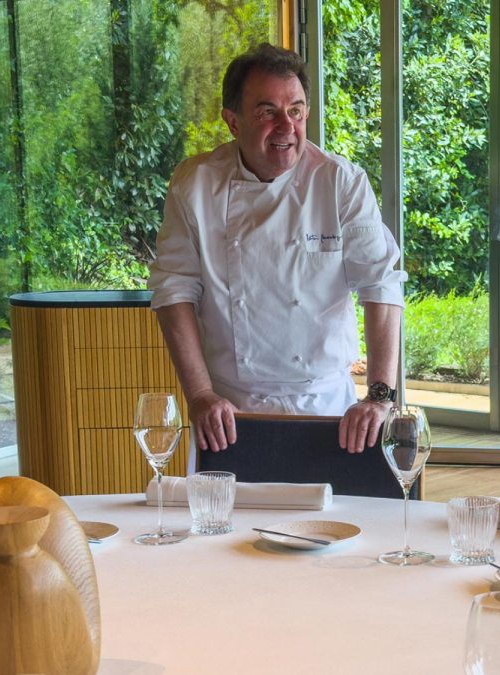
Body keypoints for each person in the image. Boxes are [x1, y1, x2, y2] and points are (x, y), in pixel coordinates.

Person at [147, 43, 406, 457]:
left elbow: (381, 285)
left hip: (331, 412)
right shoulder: (195, 185)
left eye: (297, 110)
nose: (287, 126)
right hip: (231, 413)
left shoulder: (340, 182)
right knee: (228, 521)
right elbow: (173, 290)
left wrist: (379, 396)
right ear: (232, 122)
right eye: (267, 111)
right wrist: (198, 394)